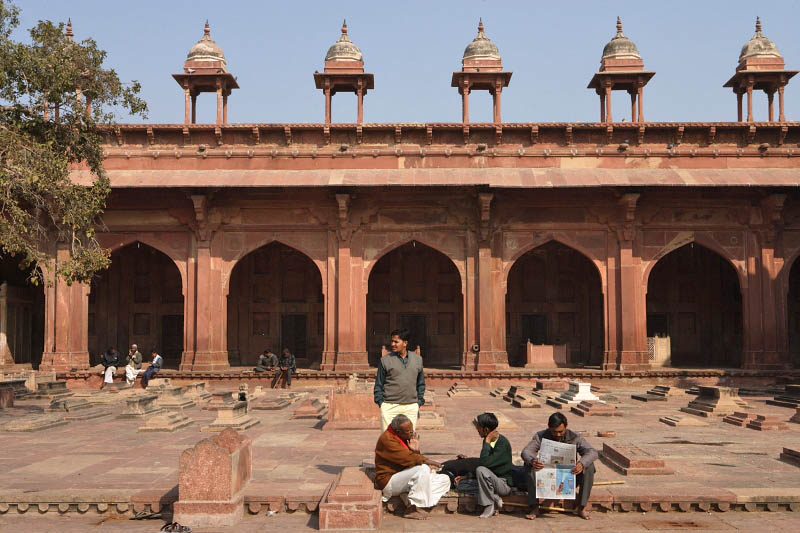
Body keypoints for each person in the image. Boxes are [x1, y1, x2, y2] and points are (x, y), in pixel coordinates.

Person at [520, 412, 598, 521]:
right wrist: (533, 460)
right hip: (546, 478)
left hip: (568, 478)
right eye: (554, 432)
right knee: (528, 465)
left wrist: (581, 464)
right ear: (549, 428)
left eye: (561, 431)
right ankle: (534, 507)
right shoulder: (540, 436)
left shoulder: (575, 437)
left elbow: (592, 452)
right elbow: (526, 451)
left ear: (566, 427)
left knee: (589, 466)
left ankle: (581, 507)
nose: (558, 435)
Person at [375, 414, 449, 520]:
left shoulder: (404, 437)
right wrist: (430, 462)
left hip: (404, 477)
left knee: (444, 479)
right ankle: (411, 507)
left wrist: (416, 450)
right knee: (423, 469)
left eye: (412, 429)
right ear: (398, 432)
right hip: (389, 481)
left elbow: (413, 458)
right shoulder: (387, 440)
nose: (412, 432)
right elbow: (409, 459)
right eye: (408, 431)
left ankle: (409, 497)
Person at [442, 412, 513, 518]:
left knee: (480, 470)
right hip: (489, 481)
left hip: (502, 483)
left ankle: (489, 505)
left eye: (478, 428)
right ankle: (493, 497)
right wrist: (466, 477)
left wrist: (487, 442)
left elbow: (484, 464)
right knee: (460, 485)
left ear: (486, 430)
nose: (477, 430)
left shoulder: (502, 443)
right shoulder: (487, 440)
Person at [374, 328, 425, 432]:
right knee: (388, 440)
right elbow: (379, 384)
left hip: (410, 406)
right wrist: (381, 403)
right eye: (392, 341)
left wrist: (418, 402)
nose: (392, 344)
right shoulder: (385, 361)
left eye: (396, 342)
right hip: (389, 405)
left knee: (408, 440)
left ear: (405, 343)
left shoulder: (417, 360)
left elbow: (421, 383)